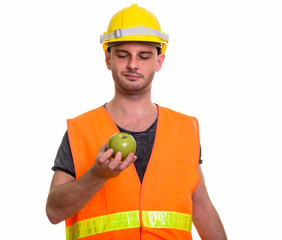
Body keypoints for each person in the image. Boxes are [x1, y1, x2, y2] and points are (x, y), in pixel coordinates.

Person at [46, 4, 227, 240]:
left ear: (159, 62)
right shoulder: (80, 130)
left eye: (144, 56)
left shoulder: (185, 130)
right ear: (108, 59)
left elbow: (202, 208)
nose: (133, 64)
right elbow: (54, 211)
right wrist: (97, 176)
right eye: (123, 55)